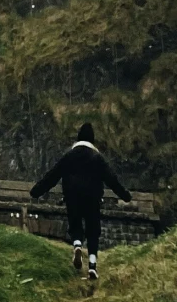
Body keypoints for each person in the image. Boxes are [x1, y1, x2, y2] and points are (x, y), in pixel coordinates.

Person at [31, 121, 132, 287]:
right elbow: (112, 179)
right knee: (93, 230)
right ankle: (92, 265)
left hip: (72, 195)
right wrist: (125, 196)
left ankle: (77, 244)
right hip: (92, 197)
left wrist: (36, 191)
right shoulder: (97, 158)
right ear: (92, 141)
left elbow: (52, 175)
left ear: (78, 139)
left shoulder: (69, 156)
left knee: (75, 223)